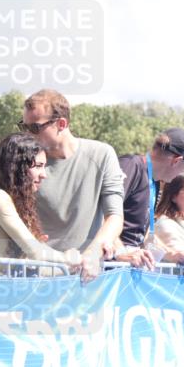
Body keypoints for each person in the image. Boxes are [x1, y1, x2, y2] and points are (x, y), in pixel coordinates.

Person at [20, 89, 125, 281]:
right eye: (23, 126)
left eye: (34, 128)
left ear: (61, 124)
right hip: (37, 278)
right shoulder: (23, 163)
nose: (26, 135)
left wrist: (92, 254)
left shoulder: (102, 154)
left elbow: (115, 217)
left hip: (85, 277)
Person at [0, 133, 81, 276]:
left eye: (44, 166)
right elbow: (35, 252)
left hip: (11, 290)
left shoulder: (16, 203)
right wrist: (69, 258)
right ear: (17, 167)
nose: (44, 174)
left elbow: (33, 257)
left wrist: (73, 264)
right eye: (38, 166)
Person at [118, 128, 184, 247]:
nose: (183, 173)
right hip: (109, 261)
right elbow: (100, 214)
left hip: (129, 260)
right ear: (176, 161)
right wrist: (120, 252)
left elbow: (145, 235)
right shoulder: (131, 166)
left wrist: (173, 254)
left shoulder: (155, 183)